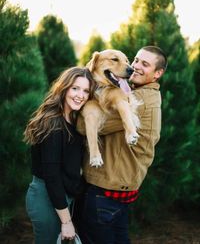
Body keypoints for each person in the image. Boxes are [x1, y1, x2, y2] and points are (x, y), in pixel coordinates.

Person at [76, 46, 168, 244]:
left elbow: (85, 127)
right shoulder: (139, 92)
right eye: (135, 60)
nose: (135, 67)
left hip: (105, 189)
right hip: (119, 189)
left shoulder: (138, 100)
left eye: (145, 64)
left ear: (158, 73)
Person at [24, 67, 96, 244]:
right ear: (64, 88)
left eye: (86, 91)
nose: (80, 95)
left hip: (63, 196)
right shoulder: (54, 124)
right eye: (75, 88)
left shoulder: (75, 120)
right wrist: (66, 221)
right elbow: (52, 177)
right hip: (46, 197)